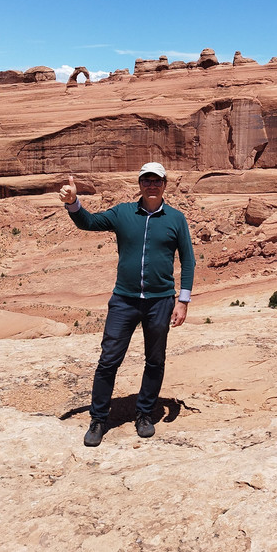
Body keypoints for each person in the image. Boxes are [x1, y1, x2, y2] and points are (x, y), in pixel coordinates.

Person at [59, 162, 195, 447]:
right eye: (146, 180)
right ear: (140, 184)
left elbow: (188, 260)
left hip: (160, 302)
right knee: (109, 359)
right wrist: (73, 202)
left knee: (155, 360)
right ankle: (98, 418)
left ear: (165, 185)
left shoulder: (176, 219)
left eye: (156, 181)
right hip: (124, 300)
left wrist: (182, 301)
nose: (151, 185)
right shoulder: (123, 213)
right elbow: (89, 222)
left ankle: (145, 414)